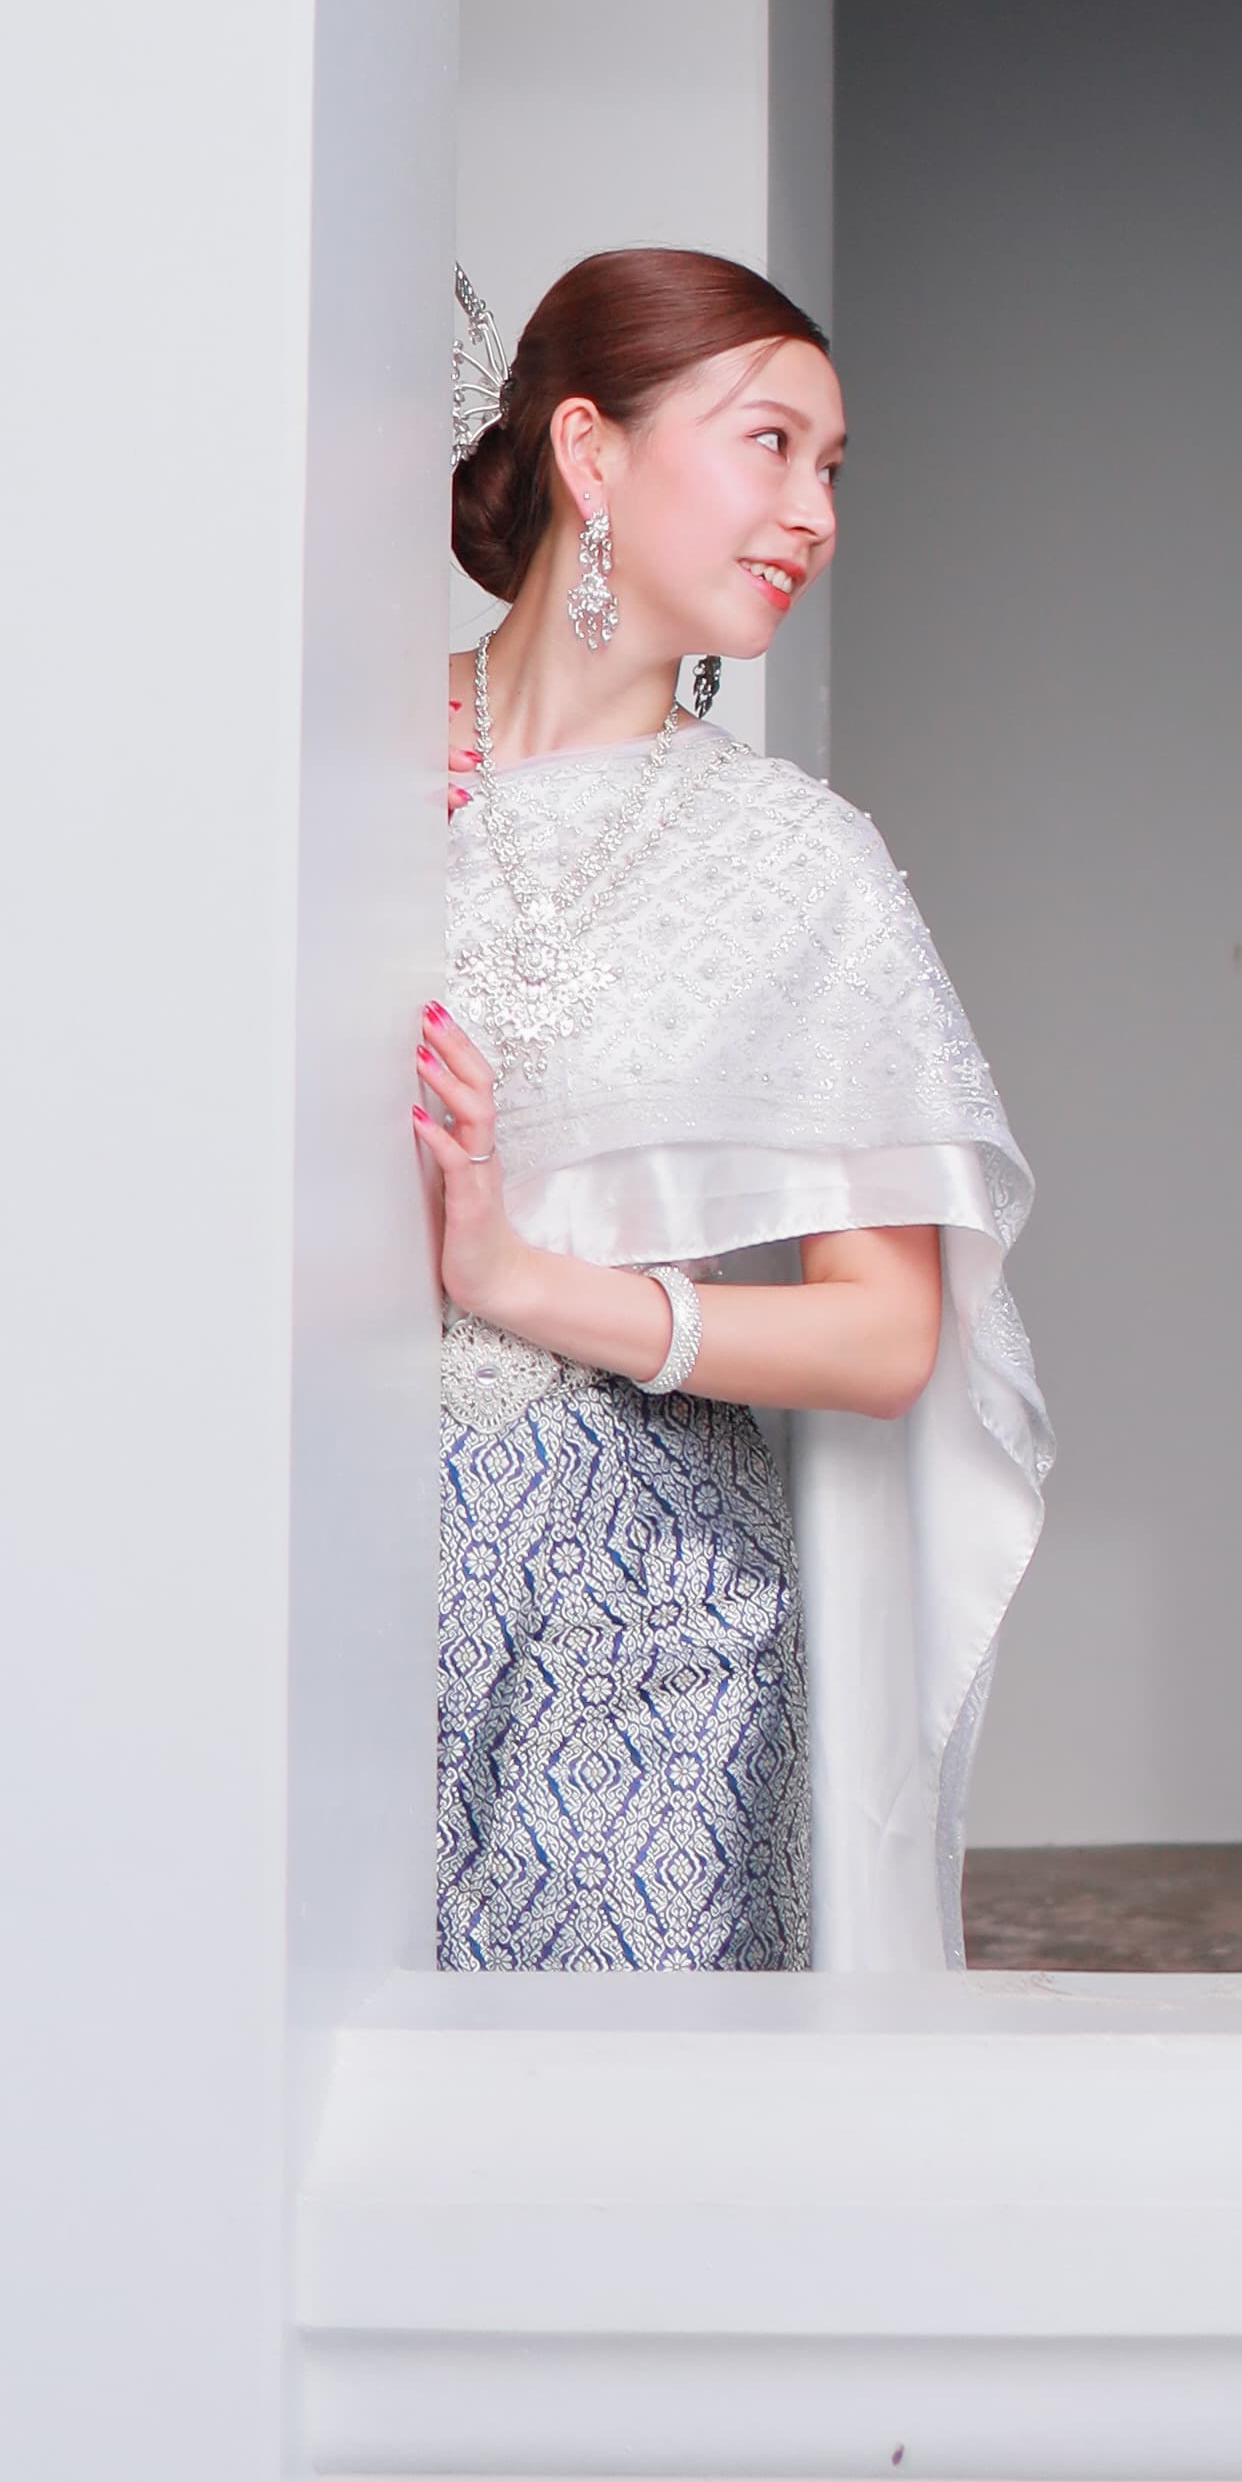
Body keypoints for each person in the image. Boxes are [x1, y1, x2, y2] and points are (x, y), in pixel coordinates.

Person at [420, 249, 1047, 1975]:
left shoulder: (795, 862)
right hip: (310, 1564)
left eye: (833, 468)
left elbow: (887, 1333)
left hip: (649, 1619)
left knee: (592, 2172)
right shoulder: (333, 773)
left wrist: (523, 1282)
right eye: (772, 443)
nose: (814, 509)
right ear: (591, 451)